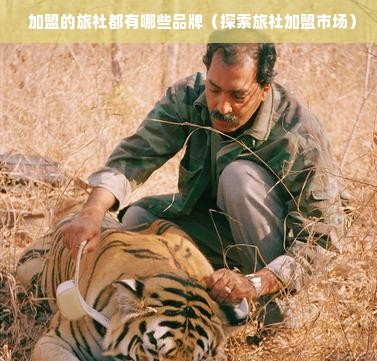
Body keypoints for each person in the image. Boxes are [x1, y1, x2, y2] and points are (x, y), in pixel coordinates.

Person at [62, 40, 345, 322]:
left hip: (274, 255)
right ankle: (193, 301)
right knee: (136, 219)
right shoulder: (189, 96)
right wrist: (92, 213)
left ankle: (273, 310)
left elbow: (320, 239)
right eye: (214, 89)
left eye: (237, 95)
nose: (221, 106)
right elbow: (135, 156)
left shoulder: (298, 134)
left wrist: (257, 283)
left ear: (264, 89)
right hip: (216, 230)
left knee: (239, 178)